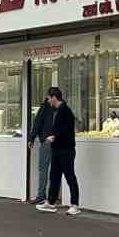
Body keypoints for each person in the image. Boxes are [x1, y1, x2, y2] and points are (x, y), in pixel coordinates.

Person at [36, 87, 80, 215]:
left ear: (54, 97)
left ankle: (75, 205)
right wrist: (53, 137)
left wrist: (54, 137)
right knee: (54, 176)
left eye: (49, 98)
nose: (48, 101)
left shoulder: (65, 111)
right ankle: (51, 203)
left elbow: (66, 130)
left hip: (66, 150)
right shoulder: (57, 111)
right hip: (56, 149)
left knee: (70, 176)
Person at [27, 91, 56, 204]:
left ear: (49, 97)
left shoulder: (45, 107)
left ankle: (41, 195)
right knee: (56, 170)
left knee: (43, 169)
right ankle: (53, 197)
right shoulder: (62, 107)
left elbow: (37, 123)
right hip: (58, 142)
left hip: (47, 142)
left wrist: (31, 138)